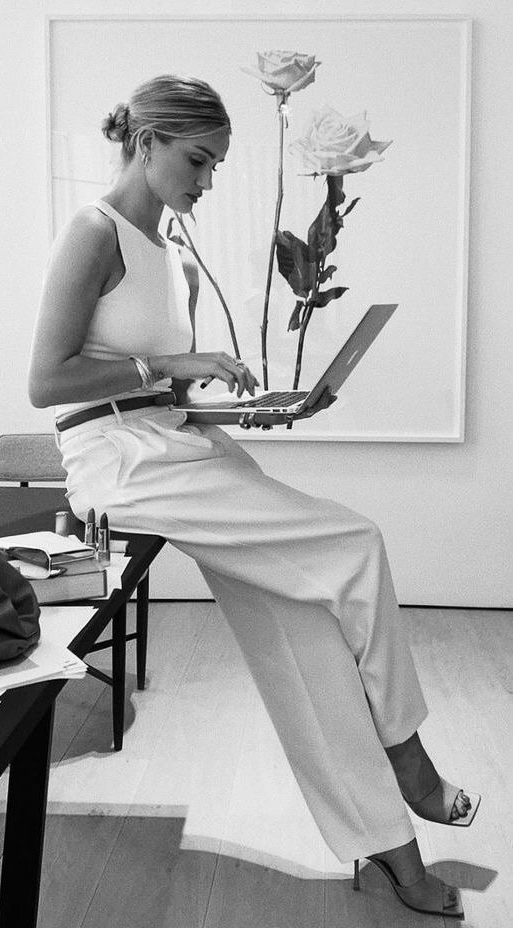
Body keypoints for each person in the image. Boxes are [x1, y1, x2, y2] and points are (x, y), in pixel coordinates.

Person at [28, 73, 479, 918]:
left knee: (305, 627)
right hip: (117, 460)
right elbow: (47, 382)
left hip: (173, 437)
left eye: (216, 167)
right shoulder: (93, 232)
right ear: (147, 140)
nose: (205, 182)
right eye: (198, 160)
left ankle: (389, 853)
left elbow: (154, 385)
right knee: (354, 541)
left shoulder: (167, 251)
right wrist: (169, 367)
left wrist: (235, 404)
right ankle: (407, 756)